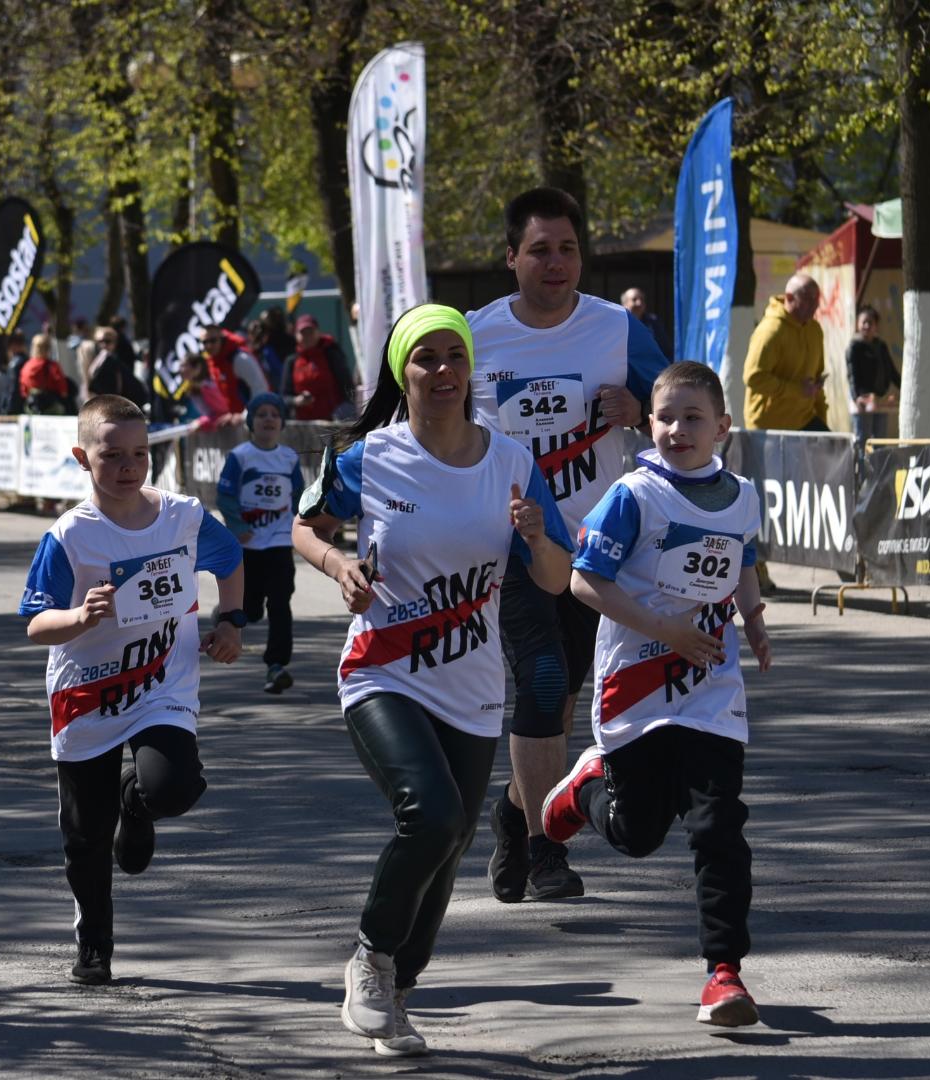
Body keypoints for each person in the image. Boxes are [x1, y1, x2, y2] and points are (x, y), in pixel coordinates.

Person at [294, 304, 573, 1057]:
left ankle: (399, 995)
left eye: (456, 356)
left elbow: (554, 578)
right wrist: (338, 564)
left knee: (446, 855)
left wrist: (539, 538)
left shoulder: (511, 462)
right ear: (401, 372)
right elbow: (305, 527)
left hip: (474, 683)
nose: (444, 371)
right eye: (427, 359)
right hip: (382, 669)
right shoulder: (368, 458)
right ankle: (370, 958)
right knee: (434, 816)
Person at [543, 360, 771, 1027]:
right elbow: (586, 583)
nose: (678, 429)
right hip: (637, 683)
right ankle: (583, 788)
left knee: (718, 824)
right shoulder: (634, 495)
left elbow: (745, 560)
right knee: (637, 833)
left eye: (693, 417)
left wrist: (753, 623)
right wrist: (665, 630)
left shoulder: (743, 495)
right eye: (666, 417)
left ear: (723, 428)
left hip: (710, 687)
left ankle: (724, 973)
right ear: (649, 425)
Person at [467, 186, 668, 904]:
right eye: (541, 250)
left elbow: (689, 417)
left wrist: (641, 412)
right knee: (543, 682)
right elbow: (428, 432)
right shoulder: (473, 333)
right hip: (512, 548)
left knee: (566, 698)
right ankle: (547, 849)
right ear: (512, 257)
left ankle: (515, 811)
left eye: (569, 249)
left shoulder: (617, 329)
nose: (556, 263)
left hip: (599, 549)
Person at [20, 394, 244, 985]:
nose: (129, 466)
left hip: (161, 685)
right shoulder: (71, 537)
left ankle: (137, 802)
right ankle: (94, 941)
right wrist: (81, 619)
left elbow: (229, 559)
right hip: (87, 696)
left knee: (173, 788)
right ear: (81, 458)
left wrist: (231, 620)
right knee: (85, 839)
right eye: (112, 454)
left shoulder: (183, 517)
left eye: (140, 453)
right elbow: (36, 623)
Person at [217, 392, 304, 694]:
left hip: (279, 543)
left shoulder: (289, 458)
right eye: (262, 414)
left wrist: (301, 528)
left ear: (282, 422)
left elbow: (299, 497)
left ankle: (277, 665)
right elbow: (225, 496)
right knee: (251, 609)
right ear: (250, 422)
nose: (268, 419)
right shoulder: (240, 456)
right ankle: (234, 610)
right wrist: (239, 526)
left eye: (274, 414)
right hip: (248, 545)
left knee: (281, 603)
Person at [744, 273, 827, 433]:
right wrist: (796, 390)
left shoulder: (815, 330)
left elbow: (816, 379)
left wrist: (822, 417)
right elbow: (754, 378)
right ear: (789, 298)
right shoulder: (770, 331)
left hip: (805, 419)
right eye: (808, 299)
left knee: (835, 453)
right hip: (769, 427)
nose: (815, 305)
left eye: (817, 299)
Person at [282, 314, 356, 421]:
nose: (307, 336)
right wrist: (297, 400)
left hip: (333, 422)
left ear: (318, 333)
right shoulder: (291, 361)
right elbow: (284, 396)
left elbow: (348, 387)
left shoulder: (331, 355)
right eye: (303, 333)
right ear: (296, 335)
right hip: (303, 425)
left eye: (310, 332)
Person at [845, 305, 900, 449]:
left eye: (870, 322)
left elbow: (891, 371)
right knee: (862, 439)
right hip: (862, 400)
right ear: (858, 324)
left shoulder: (881, 346)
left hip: (879, 399)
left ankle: (877, 470)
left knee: (880, 441)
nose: (866, 326)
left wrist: (905, 389)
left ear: (876, 326)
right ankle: (860, 470)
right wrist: (857, 397)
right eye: (863, 322)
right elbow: (852, 375)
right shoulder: (854, 347)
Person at [21, 333, 77, 415]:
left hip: (31, 407)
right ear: (48, 348)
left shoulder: (26, 366)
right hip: (51, 407)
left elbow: (24, 391)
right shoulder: (52, 366)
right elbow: (62, 390)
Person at [621, 287, 672, 357]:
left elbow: (665, 348)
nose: (639, 303)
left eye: (642, 299)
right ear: (624, 304)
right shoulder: (619, 323)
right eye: (634, 299)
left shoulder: (653, 322)